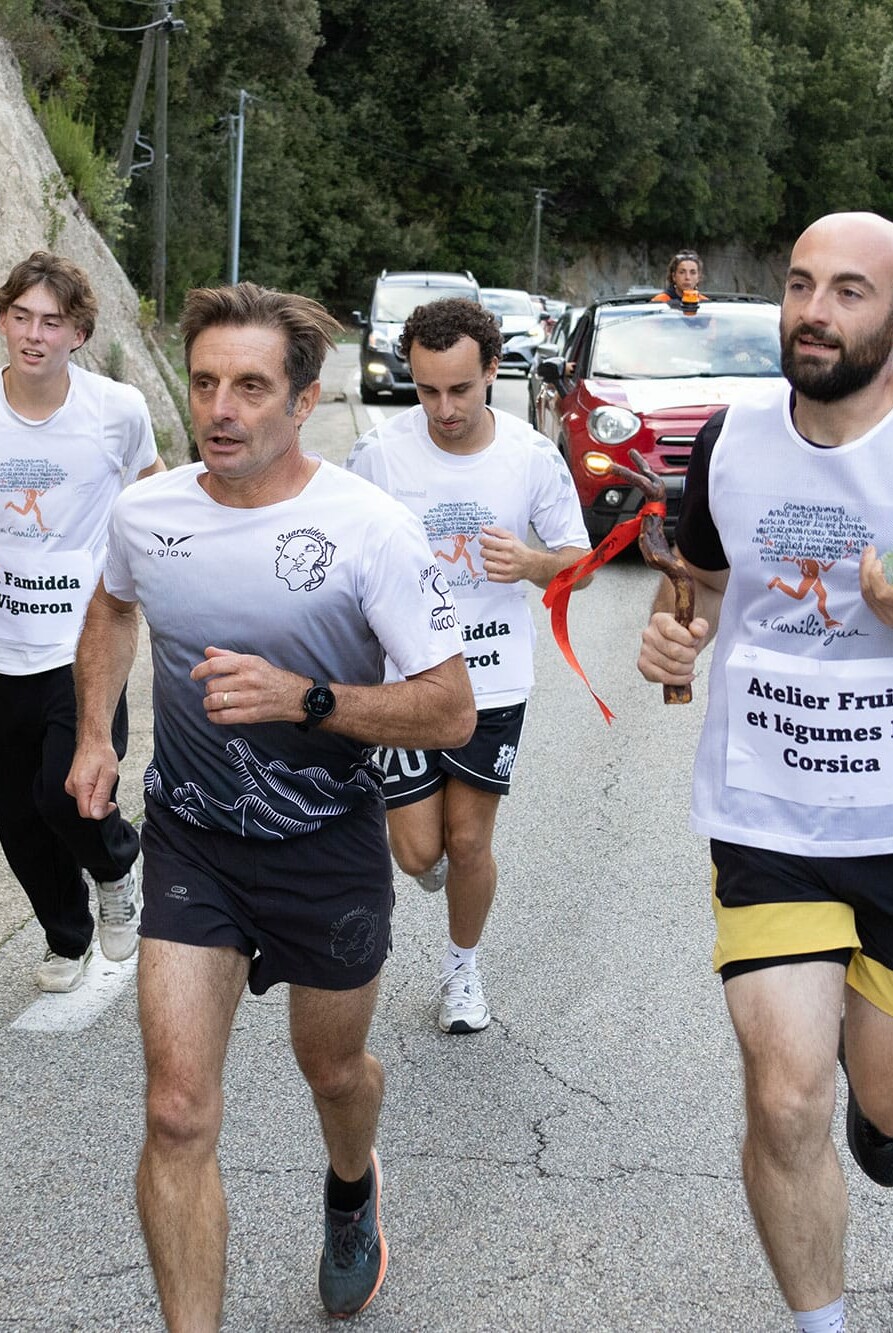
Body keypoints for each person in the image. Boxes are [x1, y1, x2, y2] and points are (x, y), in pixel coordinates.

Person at [65, 282, 476, 1326]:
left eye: (250, 387)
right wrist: (93, 733)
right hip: (193, 842)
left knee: (331, 1071)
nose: (221, 409)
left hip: (325, 844)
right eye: (204, 382)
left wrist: (308, 700)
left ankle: (351, 1185)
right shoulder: (147, 513)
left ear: (302, 401)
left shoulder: (370, 530)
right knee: (175, 1110)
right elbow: (111, 606)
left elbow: (450, 709)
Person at [637, 210, 893, 1333]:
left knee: (882, 1111)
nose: (813, 313)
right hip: (767, 817)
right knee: (786, 1097)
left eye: (848, 291)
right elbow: (695, 581)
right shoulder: (729, 440)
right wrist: (671, 640)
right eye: (799, 285)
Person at [347, 298, 590, 1034]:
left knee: (469, 840)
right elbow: (346, 557)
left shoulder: (530, 456)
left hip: (494, 676)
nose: (444, 409)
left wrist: (533, 563)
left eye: (459, 388)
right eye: (426, 390)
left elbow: (579, 566)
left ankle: (462, 970)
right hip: (407, 682)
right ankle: (448, 875)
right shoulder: (378, 454)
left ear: (492, 370)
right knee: (420, 852)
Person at [0, 251, 163, 993]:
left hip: (87, 641)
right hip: (5, 643)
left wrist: (141, 575)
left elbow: (151, 492)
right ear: (3, 322)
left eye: (52, 322)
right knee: (19, 822)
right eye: (21, 317)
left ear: (78, 334)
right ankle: (67, 938)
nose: (34, 334)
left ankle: (117, 863)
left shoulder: (116, 410)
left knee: (66, 793)